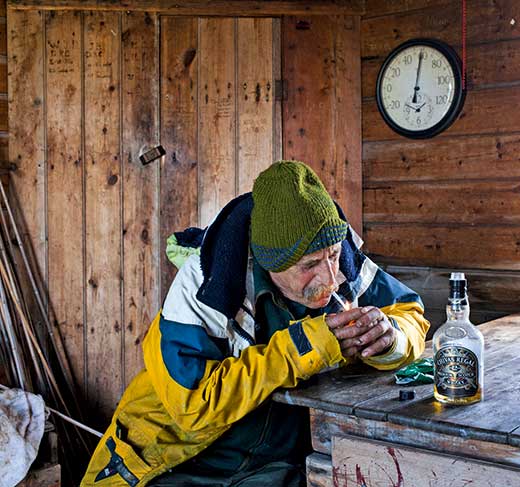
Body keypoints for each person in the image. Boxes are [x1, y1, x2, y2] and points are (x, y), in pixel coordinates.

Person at [81, 161, 430, 487]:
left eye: (333, 256)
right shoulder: (207, 283)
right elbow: (193, 407)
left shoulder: (340, 259)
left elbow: (410, 311)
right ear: (271, 262)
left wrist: (392, 338)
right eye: (309, 265)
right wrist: (304, 347)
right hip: (183, 460)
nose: (329, 276)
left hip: (277, 466)